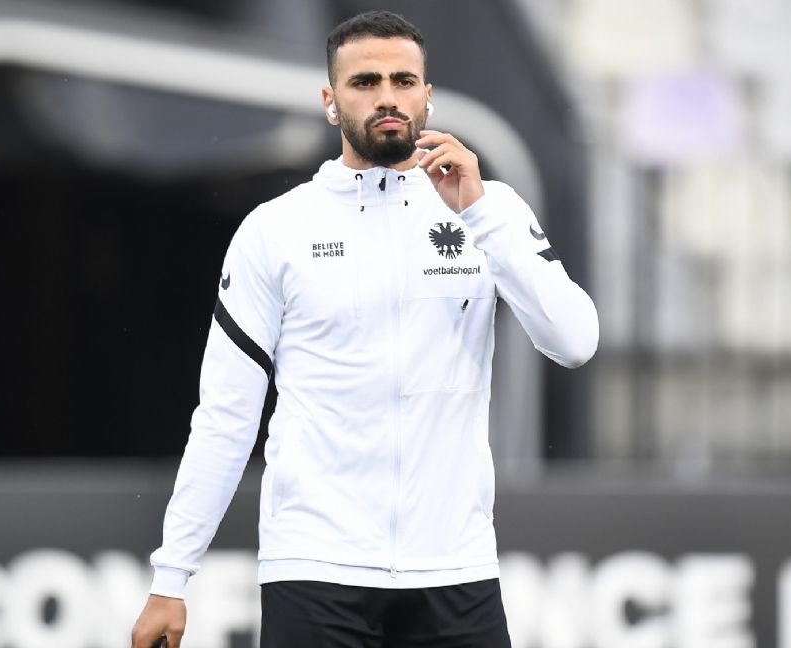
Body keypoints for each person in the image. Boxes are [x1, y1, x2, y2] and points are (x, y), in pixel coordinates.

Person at [132, 10, 598, 648]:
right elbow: (225, 415)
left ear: (428, 96)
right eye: (365, 82)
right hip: (315, 571)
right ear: (330, 101)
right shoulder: (276, 229)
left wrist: (479, 211)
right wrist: (171, 575)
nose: (387, 97)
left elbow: (575, 343)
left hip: (455, 570)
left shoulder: (491, 211)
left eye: (404, 81)